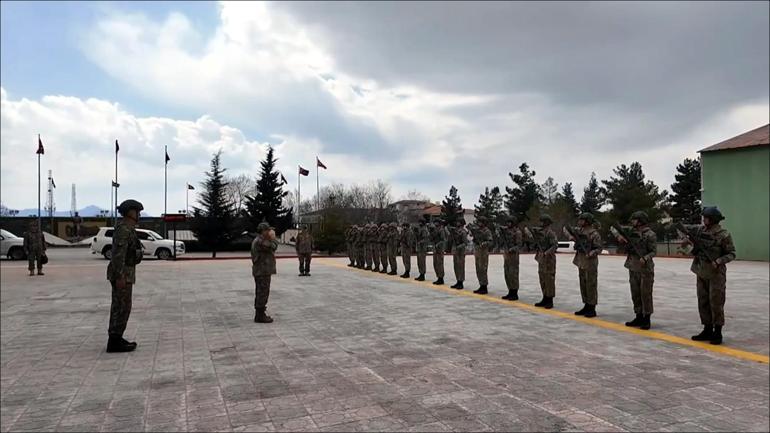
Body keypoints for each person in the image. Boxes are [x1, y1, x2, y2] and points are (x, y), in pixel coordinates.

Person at [684, 207, 735, 345]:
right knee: (703, 301)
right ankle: (707, 329)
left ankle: (717, 332)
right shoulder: (700, 230)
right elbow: (685, 228)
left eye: (705, 217)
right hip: (701, 270)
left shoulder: (723, 234)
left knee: (716, 302)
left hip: (716, 273)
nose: (703, 219)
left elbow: (731, 254)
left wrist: (719, 261)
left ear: (712, 219)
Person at [106, 199, 144, 353]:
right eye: (137, 211)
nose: (139, 215)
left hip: (126, 273)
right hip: (122, 274)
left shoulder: (129, 229)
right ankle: (114, 341)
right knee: (121, 307)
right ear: (130, 212)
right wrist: (120, 276)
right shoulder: (123, 230)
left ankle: (117, 338)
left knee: (123, 307)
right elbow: (118, 255)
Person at [616, 211, 657, 330]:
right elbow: (616, 231)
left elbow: (653, 251)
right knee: (635, 293)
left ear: (640, 221)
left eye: (634, 219)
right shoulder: (631, 233)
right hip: (633, 266)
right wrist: (621, 239)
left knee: (645, 294)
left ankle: (646, 318)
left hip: (645, 268)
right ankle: (638, 315)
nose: (632, 221)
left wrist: (646, 257)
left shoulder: (650, 235)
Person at [567, 212, 602, 318]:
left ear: (587, 221)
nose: (579, 221)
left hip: (590, 262)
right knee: (583, 284)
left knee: (591, 285)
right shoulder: (579, 231)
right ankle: (586, 304)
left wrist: (591, 253)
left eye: (582, 220)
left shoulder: (594, 234)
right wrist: (570, 236)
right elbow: (566, 228)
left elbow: (599, 248)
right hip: (581, 261)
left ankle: (592, 307)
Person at [252, 222, 278, 323]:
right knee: (262, 292)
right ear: (263, 231)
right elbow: (274, 246)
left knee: (262, 292)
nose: (270, 232)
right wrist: (273, 237)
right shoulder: (260, 241)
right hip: (262, 271)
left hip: (262, 270)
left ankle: (260, 313)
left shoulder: (260, 240)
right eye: (268, 230)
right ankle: (260, 315)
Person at [531, 214, 558, 309]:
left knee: (549, 279)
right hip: (541, 259)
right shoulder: (540, 233)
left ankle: (550, 299)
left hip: (549, 259)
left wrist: (547, 253)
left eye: (542, 221)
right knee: (542, 278)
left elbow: (554, 245)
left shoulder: (550, 233)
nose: (540, 223)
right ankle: (545, 297)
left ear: (546, 222)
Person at [499, 216, 523, 300]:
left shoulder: (517, 232)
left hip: (513, 256)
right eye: (507, 222)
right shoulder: (506, 232)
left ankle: (514, 292)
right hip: (507, 255)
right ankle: (510, 291)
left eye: (510, 222)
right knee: (507, 274)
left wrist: (512, 249)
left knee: (513, 274)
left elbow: (519, 245)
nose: (508, 224)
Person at [471, 217, 493, 294]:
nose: (479, 223)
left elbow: (490, 242)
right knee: (478, 269)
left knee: (483, 269)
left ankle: (484, 286)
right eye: (479, 222)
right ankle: (481, 285)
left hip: (483, 252)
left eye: (481, 222)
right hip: (478, 251)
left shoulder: (487, 231)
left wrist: (484, 243)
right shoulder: (477, 230)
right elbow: (474, 239)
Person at [450, 219, 468, 290]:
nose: (457, 223)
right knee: (456, 266)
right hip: (456, 252)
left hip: (461, 252)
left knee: (460, 267)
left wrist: (458, 246)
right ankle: (458, 280)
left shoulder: (463, 232)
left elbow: (465, 243)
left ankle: (461, 282)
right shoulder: (455, 231)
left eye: (458, 222)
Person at [430, 219, 448, 285]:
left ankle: (441, 278)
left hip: (440, 249)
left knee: (440, 264)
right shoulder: (435, 230)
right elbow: (431, 239)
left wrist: (438, 244)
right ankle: (438, 277)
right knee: (435, 264)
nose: (435, 224)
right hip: (435, 249)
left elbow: (443, 240)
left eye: (436, 222)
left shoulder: (441, 230)